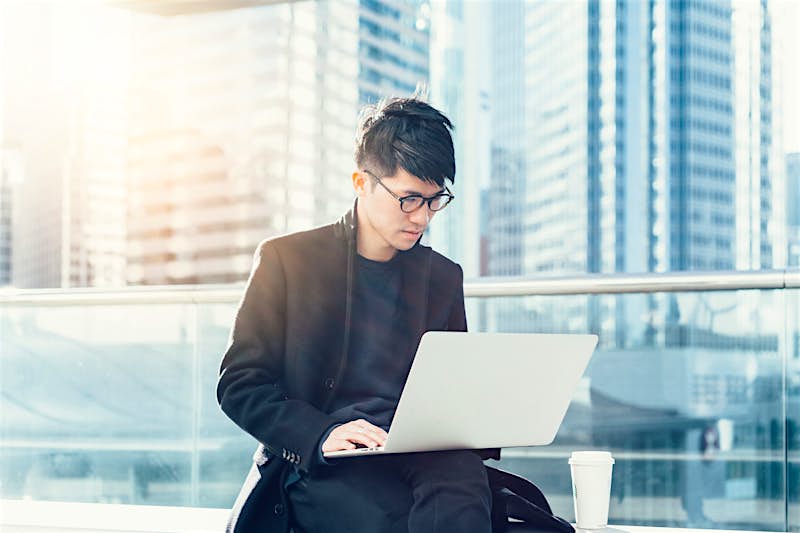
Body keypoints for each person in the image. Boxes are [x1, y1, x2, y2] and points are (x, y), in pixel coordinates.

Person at [217, 95, 496, 533]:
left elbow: (448, 390)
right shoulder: (288, 260)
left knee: (465, 485)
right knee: (383, 515)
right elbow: (239, 384)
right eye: (408, 199)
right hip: (326, 455)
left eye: (434, 200)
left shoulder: (443, 278)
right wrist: (320, 433)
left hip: (415, 453)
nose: (422, 217)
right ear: (362, 182)